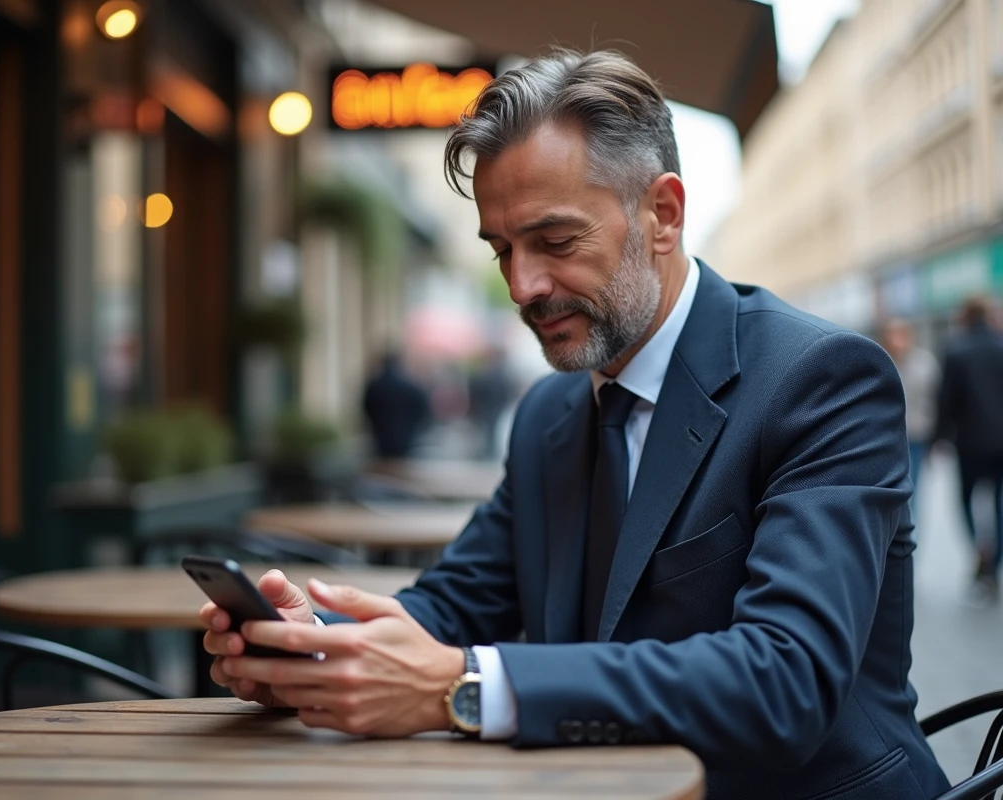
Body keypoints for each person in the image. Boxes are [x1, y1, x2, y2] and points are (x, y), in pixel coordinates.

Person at [201, 50, 948, 799]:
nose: (523, 285)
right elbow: (455, 605)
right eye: (502, 250)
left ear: (663, 213)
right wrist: (313, 651)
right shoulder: (549, 414)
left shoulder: (821, 379)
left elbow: (786, 680)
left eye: (555, 242)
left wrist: (462, 687)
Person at [935, 295, 1003, 603]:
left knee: (965, 500)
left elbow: (946, 401)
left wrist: (939, 437)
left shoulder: (956, 350)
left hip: (969, 443)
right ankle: (993, 565)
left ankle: (980, 550)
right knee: (1000, 503)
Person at [880, 318, 940, 515]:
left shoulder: (924, 363)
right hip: (889, 435)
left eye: (899, 335)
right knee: (895, 485)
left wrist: (936, 434)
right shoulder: (880, 361)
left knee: (914, 485)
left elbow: (935, 398)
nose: (896, 341)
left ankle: (911, 528)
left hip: (917, 433)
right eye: (891, 336)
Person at [361, 350, 430, 459]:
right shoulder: (408, 385)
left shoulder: (375, 385)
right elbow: (422, 406)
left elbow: (367, 407)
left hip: (381, 435)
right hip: (406, 434)